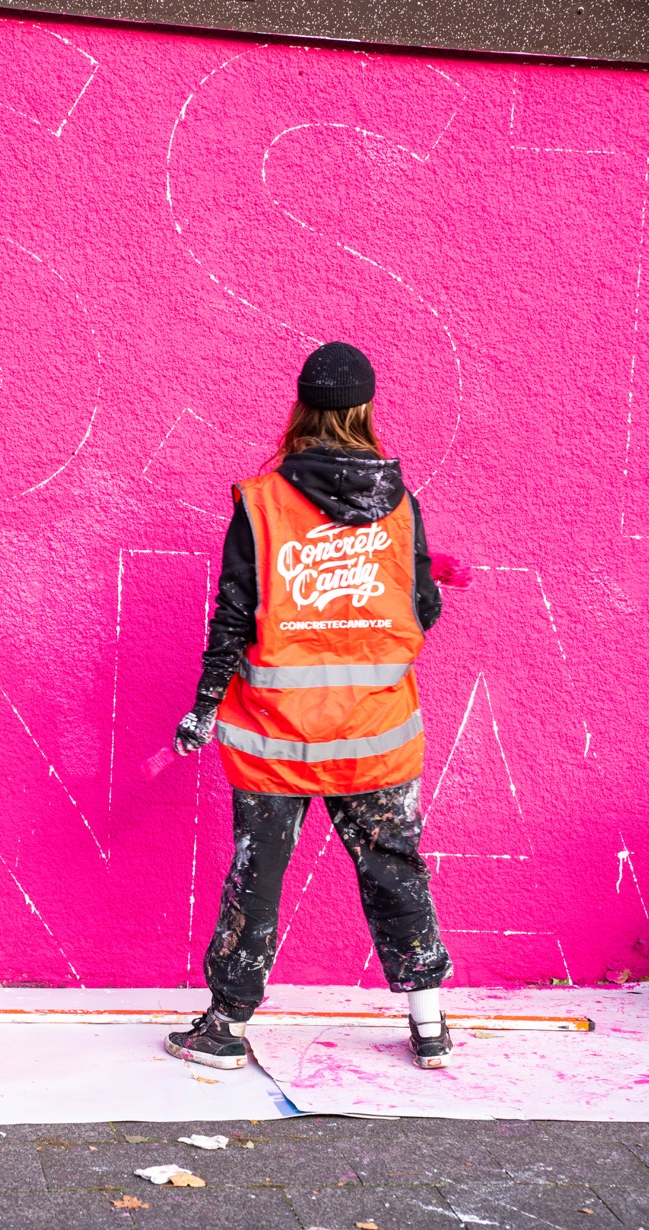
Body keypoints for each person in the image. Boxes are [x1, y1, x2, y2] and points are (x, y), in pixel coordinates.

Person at [166, 342, 453, 1073]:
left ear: (301, 406)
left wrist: (201, 706)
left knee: (256, 878)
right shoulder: (400, 502)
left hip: (276, 737)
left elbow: (233, 616)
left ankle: (223, 1029)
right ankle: (428, 1029)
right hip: (374, 732)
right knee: (395, 869)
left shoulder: (263, 504)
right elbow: (420, 608)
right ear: (364, 409)